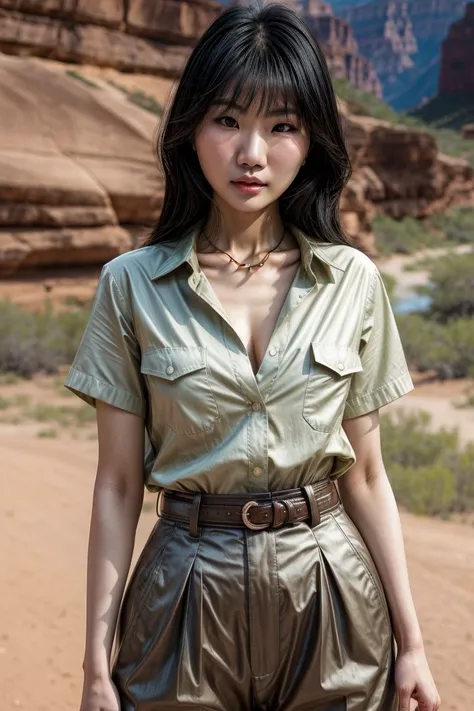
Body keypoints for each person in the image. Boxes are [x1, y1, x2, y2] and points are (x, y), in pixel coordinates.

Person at [65, 2, 441, 710]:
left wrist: (414, 644)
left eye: (283, 126)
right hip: (182, 598)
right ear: (191, 129)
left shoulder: (353, 281)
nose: (253, 154)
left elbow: (366, 475)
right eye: (229, 120)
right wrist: (93, 666)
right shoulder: (130, 286)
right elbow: (117, 485)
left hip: (332, 598)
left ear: (312, 139)